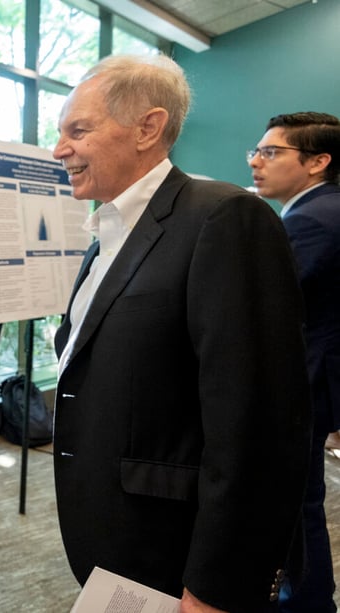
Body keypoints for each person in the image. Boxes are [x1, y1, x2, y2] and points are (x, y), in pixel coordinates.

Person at [51, 55, 311, 611]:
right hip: (117, 542)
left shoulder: (224, 219)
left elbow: (259, 423)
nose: (59, 150)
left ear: (148, 127)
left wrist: (219, 584)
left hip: (177, 554)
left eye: (78, 130)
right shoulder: (109, 234)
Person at [249, 111, 340, 612]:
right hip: (318, 375)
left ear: (318, 162)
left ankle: (306, 604)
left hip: (307, 381)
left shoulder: (313, 218)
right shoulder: (322, 210)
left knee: (295, 506)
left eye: (271, 152)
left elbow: (267, 303)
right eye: (255, 152)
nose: (257, 162)